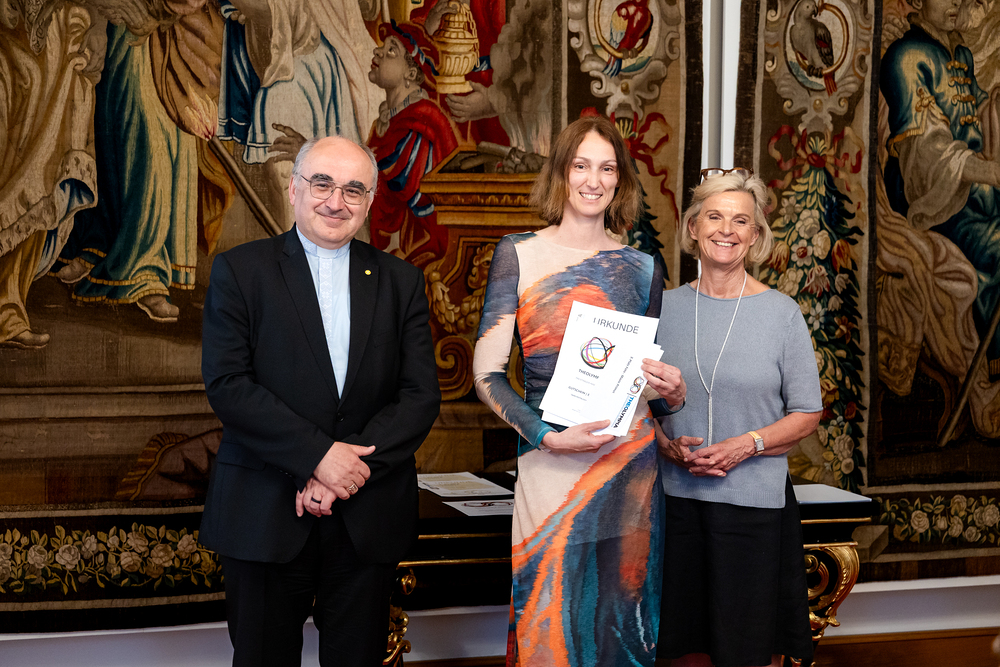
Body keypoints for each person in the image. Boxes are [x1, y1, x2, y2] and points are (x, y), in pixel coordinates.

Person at [199, 135, 440, 666]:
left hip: (367, 518)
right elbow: (229, 384)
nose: (336, 201)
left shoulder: (401, 282)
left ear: (369, 201)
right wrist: (318, 458)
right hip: (264, 512)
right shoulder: (240, 270)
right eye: (322, 184)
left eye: (353, 189)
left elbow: (420, 395)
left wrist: (343, 472)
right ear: (294, 189)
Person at [473, 115, 685, 667]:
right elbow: (487, 375)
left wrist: (673, 394)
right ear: (561, 173)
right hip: (551, 463)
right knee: (549, 625)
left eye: (607, 168)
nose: (594, 180)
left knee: (623, 628)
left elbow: (642, 379)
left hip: (630, 469)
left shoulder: (643, 268)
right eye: (581, 165)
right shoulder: (518, 254)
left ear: (620, 180)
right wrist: (546, 436)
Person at [644, 168, 821, 667]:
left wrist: (746, 444)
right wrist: (665, 445)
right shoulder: (661, 309)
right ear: (693, 227)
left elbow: (808, 413)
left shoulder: (782, 314)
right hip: (676, 506)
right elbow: (634, 403)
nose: (726, 230)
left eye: (740, 221)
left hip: (754, 511)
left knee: (749, 651)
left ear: (756, 235)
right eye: (715, 217)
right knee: (680, 649)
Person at [881, 0, 1000, 379]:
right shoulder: (906, 56)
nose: (957, 2)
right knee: (996, 247)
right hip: (930, 196)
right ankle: (993, 371)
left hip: (974, 186)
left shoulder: (959, 52)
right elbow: (926, 152)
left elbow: (978, 112)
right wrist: (989, 172)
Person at [366, 21, 459, 268]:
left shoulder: (422, 122)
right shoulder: (385, 122)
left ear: (410, 73)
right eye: (382, 47)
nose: (377, 51)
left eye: (391, 50)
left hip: (420, 256)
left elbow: (413, 208)